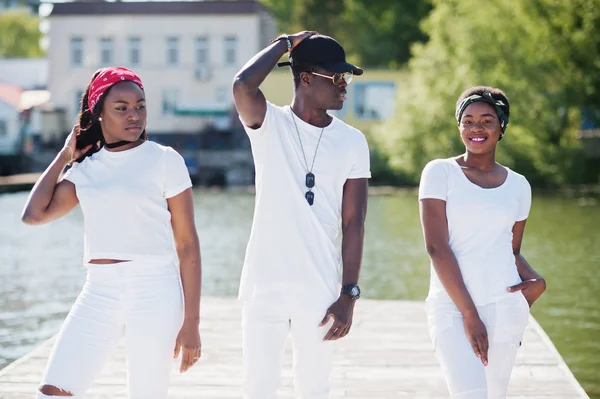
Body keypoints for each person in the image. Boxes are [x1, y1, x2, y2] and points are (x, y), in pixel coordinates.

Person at [21, 66, 202, 398]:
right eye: (122, 108)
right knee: (52, 390)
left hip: (155, 289)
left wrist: (191, 323)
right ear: (99, 113)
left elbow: (187, 245)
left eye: (140, 105)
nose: (134, 115)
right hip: (99, 291)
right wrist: (65, 156)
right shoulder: (85, 170)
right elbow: (33, 216)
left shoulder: (165, 160)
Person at [232, 32, 371, 398]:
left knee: (314, 390)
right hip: (264, 288)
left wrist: (349, 295)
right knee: (258, 389)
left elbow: (354, 223)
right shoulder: (269, 125)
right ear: (306, 78)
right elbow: (243, 85)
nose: (344, 86)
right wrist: (284, 44)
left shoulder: (353, 141)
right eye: (336, 78)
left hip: (320, 291)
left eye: (347, 78)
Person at [418, 86, 547, 398]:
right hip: (452, 308)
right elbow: (437, 247)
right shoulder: (440, 172)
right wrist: (470, 315)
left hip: (504, 307)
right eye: (468, 121)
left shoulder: (519, 185)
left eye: (487, 121)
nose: (476, 128)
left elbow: (510, 249)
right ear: (459, 125)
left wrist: (535, 281)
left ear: (502, 126)